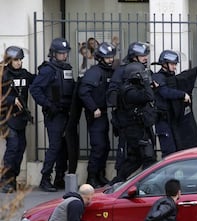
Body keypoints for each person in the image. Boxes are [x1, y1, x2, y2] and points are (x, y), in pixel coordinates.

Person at [30, 37, 75, 192]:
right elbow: (35, 89)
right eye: (61, 53)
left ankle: (59, 177)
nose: (64, 56)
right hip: (54, 115)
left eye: (65, 53)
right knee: (55, 147)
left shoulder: (67, 68)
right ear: (54, 53)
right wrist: (49, 105)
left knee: (64, 147)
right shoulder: (48, 70)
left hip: (66, 113)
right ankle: (45, 178)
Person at [108, 62, 156, 185]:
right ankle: (147, 184)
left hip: (139, 128)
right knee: (148, 157)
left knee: (135, 160)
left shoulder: (133, 88)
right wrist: (146, 83)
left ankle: (117, 181)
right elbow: (149, 96)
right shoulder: (129, 92)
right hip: (134, 130)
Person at [79, 42, 116, 188]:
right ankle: (91, 177)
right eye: (107, 58)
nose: (110, 60)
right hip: (95, 114)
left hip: (103, 113)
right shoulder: (94, 72)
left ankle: (100, 175)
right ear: (100, 58)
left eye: (112, 57)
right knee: (98, 146)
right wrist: (93, 108)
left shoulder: (108, 71)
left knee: (105, 146)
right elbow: (84, 92)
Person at [0, 46, 35, 193]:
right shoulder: (3, 75)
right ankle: (5, 180)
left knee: (20, 148)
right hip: (7, 117)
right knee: (13, 146)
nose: (18, 62)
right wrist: (11, 100)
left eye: (20, 59)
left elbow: (37, 80)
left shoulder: (23, 74)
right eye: (15, 60)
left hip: (20, 118)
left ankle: (13, 178)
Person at [152, 50, 191, 157]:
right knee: (169, 151)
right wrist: (183, 95)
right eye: (173, 64)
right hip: (163, 120)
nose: (175, 67)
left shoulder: (171, 77)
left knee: (178, 150)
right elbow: (165, 92)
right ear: (164, 64)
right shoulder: (158, 77)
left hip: (172, 119)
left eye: (175, 64)